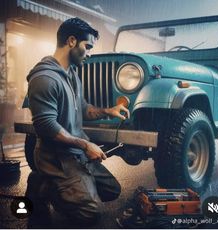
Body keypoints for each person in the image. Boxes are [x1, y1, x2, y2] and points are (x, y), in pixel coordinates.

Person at [25, 17, 130, 226]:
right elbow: (46, 127)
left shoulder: (72, 74)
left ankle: (54, 186)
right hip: (56, 158)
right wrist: (86, 144)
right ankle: (43, 186)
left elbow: (83, 109)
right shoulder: (44, 78)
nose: (89, 53)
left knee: (112, 190)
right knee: (91, 214)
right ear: (71, 41)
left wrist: (110, 111)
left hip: (76, 155)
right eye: (87, 46)